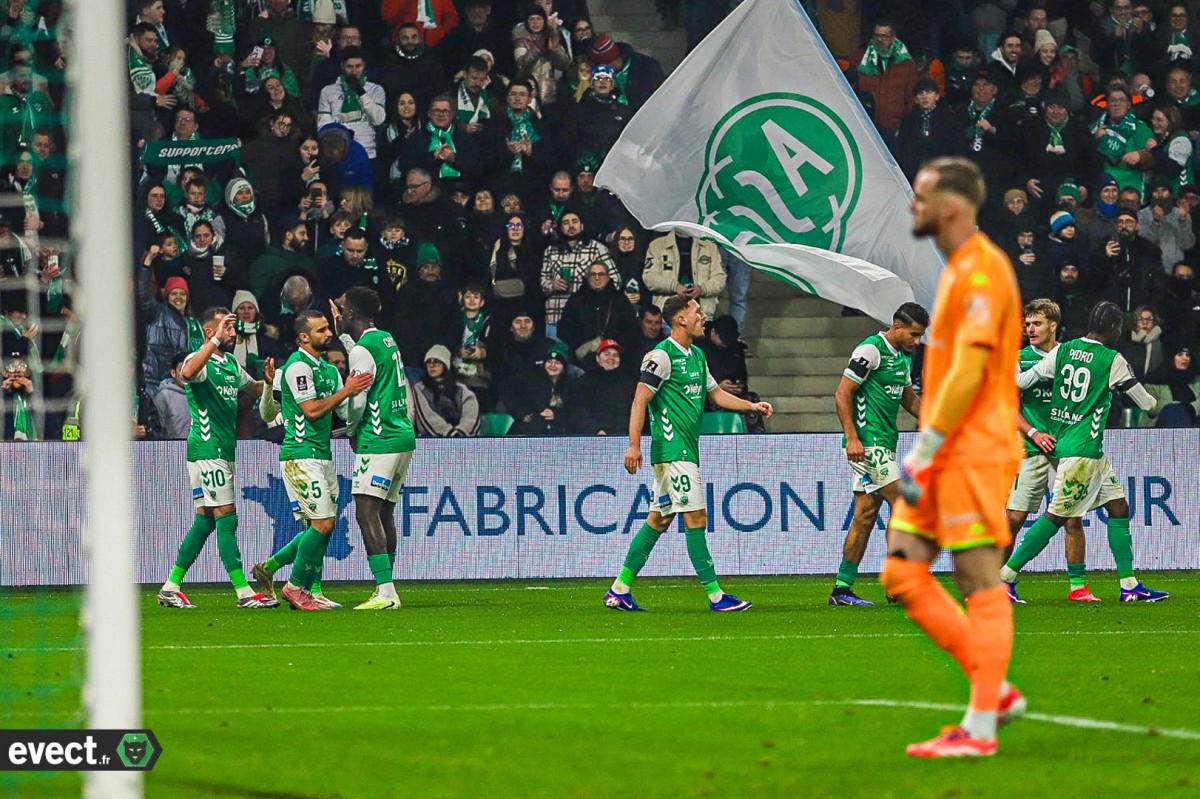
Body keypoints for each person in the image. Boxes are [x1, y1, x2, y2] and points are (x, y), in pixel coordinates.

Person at [881, 157, 1025, 757]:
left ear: (952, 206)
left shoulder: (984, 271)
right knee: (902, 571)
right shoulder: (957, 271)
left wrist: (928, 444)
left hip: (971, 451)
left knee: (977, 577)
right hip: (945, 453)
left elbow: (970, 365)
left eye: (920, 196)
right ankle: (996, 691)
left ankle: (980, 729)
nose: (911, 206)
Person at [604, 295, 773, 613]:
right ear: (680, 319)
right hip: (672, 451)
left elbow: (717, 394)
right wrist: (633, 444)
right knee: (696, 518)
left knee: (659, 519)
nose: (703, 316)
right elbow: (640, 399)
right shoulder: (661, 356)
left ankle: (619, 589)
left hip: (683, 451)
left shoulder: (696, 355)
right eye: (697, 311)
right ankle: (716, 596)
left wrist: (752, 405)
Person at [1003, 301, 1168, 601]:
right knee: (1056, 518)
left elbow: (1021, 381)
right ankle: (1005, 578)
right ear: (1115, 328)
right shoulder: (1111, 359)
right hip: (1082, 452)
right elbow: (1147, 404)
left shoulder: (1063, 351)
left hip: (1074, 444)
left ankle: (1129, 585)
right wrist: (1123, 386)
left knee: (1119, 506)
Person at [155, 308, 279, 610]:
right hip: (208, 450)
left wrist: (271, 382)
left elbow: (251, 387)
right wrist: (211, 342)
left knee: (206, 521)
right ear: (210, 331)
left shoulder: (230, 363)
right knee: (227, 517)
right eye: (226, 327)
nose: (232, 333)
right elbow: (186, 374)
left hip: (221, 451)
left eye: (233, 327)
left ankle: (171, 586)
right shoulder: (200, 360)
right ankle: (243, 592)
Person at [255, 310, 373, 611]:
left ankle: (274, 570)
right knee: (322, 523)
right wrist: (347, 391)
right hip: (299, 455)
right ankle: (296, 587)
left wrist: (366, 406)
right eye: (321, 331)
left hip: (322, 455)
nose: (328, 334)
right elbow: (311, 411)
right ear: (303, 337)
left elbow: (343, 414)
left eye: (327, 329)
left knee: (323, 526)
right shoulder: (296, 368)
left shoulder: (330, 371)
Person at [829, 302, 927, 606]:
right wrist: (852, 438)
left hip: (885, 443)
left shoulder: (901, 357)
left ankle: (842, 590)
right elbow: (843, 392)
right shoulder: (870, 350)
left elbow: (907, 397)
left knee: (865, 516)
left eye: (921, 336)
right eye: (913, 334)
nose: (917, 341)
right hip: (868, 445)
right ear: (896, 327)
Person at [1003, 299, 1093, 603]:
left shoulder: (1072, 357)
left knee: (1072, 518)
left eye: (1036, 323)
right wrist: (1034, 432)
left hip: (1066, 449)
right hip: (1030, 447)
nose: (1030, 329)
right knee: (1014, 518)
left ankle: (1077, 587)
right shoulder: (1019, 359)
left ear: (1053, 326)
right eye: (1027, 324)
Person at [331, 288, 414, 609]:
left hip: (378, 438)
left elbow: (358, 399)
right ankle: (387, 586)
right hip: (401, 434)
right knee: (385, 511)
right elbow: (372, 367)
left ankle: (386, 592)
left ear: (350, 314)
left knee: (366, 511)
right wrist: (346, 340)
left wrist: (350, 429)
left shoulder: (362, 350)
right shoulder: (386, 339)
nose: (336, 313)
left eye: (340, 308)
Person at [316, 47, 387, 160]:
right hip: (338, 154)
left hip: (368, 153)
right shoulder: (328, 91)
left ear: (364, 65)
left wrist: (361, 92)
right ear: (342, 66)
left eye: (358, 66)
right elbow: (323, 125)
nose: (354, 71)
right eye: (349, 67)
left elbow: (378, 120)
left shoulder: (376, 90)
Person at [411, 343, 481, 436]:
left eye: (436, 362)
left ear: (445, 365)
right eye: (428, 362)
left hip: (462, 438)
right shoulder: (419, 388)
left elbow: (471, 415)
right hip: (432, 439)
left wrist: (460, 433)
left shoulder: (461, 389)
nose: (431, 365)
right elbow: (427, 416)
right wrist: (449, 433)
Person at [572, 339, 636, 435]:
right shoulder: (585, 381)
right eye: (607, 354)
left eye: (615, 355)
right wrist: (595, 430)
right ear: (598, 358)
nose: (611, 358)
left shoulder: (629, 383)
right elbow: (578, 410)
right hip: (594, 437)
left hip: (624, 436)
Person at [152, 350, 191, 440]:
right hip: (174, 447)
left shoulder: (200, 394)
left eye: (189, 368)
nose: (185, 373)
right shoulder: (164, 396)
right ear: (173, 373)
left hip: (197, 448)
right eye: (181, 369)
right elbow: (156, 429)